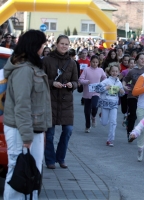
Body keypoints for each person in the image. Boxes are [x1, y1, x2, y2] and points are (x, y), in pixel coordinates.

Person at [3, 30, 52, 199]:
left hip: (32, 129)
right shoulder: (24, 70)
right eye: (42, 45)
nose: (43, 48)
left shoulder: (31, 67)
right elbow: (22, 104)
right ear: (34, 46)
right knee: (18, 171)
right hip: (21, 130)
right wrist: (26, 136)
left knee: (31, 171)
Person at [43, 35, 78, 169]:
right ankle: (50, 160)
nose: (64, 46)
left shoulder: (72, 63)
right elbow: (41, 79)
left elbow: (76, 81)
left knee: (68, 130)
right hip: (50, 100)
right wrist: (53, 83)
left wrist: (72, 85)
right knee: (50, 133)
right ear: (56, 44)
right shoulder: (46, 60)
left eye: (66, 44)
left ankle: (61, 157)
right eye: (62, 43)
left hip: (66, 102)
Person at [95, 64, 125, 147]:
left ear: (118, 72)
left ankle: (110, 140)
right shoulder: (106, 81)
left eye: (116, 71)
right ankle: (101, 116)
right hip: (105, 104)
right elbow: (97, 89)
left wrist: (122, 92)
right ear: (110, 72)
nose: (114, 73)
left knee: (113, 122)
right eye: (113, 71)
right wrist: (105, 88)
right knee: (104, 123)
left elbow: (121, 94)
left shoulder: (119, 83)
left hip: (114, 104)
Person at [122, 53, 144, 141]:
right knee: (133, 113)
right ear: (137, 60)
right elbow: (125, 80)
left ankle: (142, 134)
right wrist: (124, 86)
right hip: (132, 94)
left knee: (140, 115)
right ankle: (130, 132)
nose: (143, 60)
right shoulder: (132, 71)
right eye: (141, 59)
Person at [79, 55, 106, 133]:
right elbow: (80, 79)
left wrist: (102, 83)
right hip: (87, 92)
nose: (94, 63)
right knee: (87, 111)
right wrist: (86, 81)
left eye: (96, 62)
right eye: (93, 62)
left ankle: (93, 116)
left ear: (98, 63)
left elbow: (105, 78)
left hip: (96, 92)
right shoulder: (86, 70)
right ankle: (87, 126)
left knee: (95, 106)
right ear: (90, 62)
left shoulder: (100, 70)